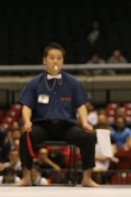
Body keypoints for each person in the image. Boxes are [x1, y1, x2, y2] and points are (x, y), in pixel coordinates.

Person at [15, 43, 98, 187]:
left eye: (59, 58)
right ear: (44, 60)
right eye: (52, 58)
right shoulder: (34, 83)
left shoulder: (72, 82)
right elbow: (27, 106)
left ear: (63, 61)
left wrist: (84, 122)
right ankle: (26, 177)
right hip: (43, 126)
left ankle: (87, 178)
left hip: (66, 127)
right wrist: (27, 121)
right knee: (26, 136)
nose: (55, 61)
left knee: (88, 137)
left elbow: (81, 105)